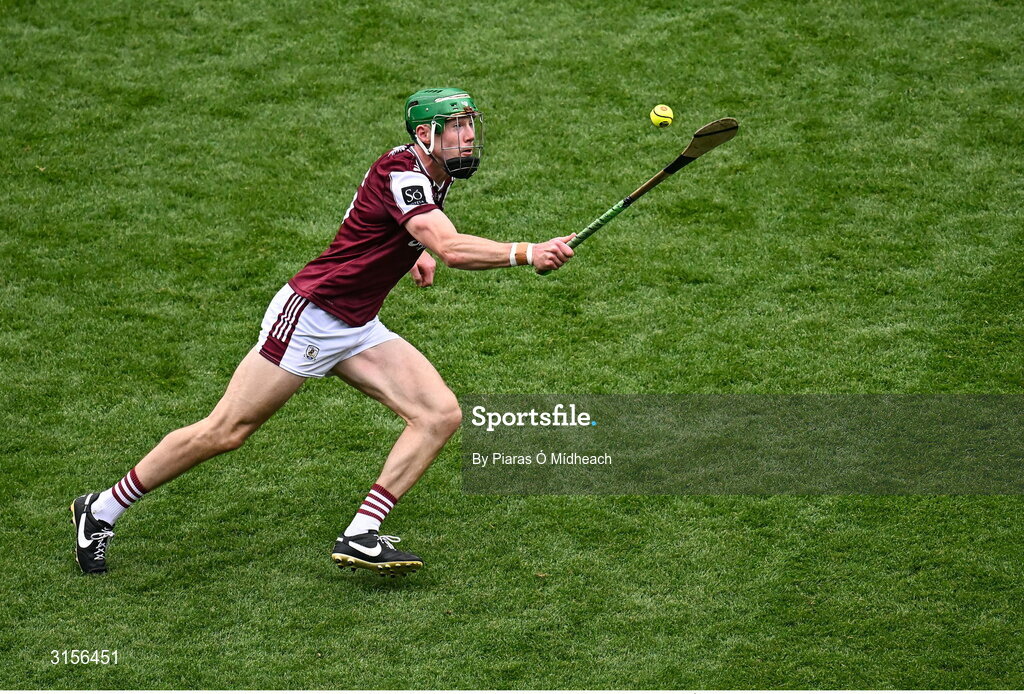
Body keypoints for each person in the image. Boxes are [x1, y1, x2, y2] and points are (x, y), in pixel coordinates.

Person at [71, 87, 574, 577]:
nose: (468, 137)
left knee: (438, 414)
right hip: (311, 315)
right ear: (425, 134)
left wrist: (413, 247)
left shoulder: (430, 172)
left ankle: (361, 532)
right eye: (458, 127)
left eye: (469, 125)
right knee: (226, 431)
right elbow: (453, 247)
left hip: (356, 323)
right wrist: (525, 251)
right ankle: (101, 509)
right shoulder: (403, 171)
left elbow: (371, 220)